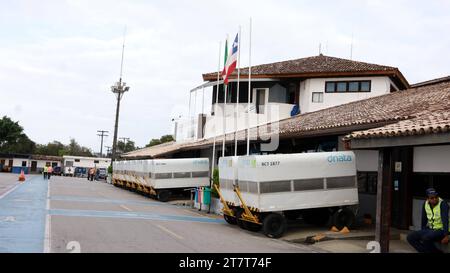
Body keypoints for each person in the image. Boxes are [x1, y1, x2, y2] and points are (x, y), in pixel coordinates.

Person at [407, 188, 449, 253]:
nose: (434, 199)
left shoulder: (443, 204)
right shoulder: (425, 204)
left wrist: (446, 236)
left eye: (436, 197)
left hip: (442, 230)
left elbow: (445, 220)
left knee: (425, 238)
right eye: (432, 198)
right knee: (410, 237)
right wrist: (422, 231)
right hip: (431, 229)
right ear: (428, 199)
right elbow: (424, 219)